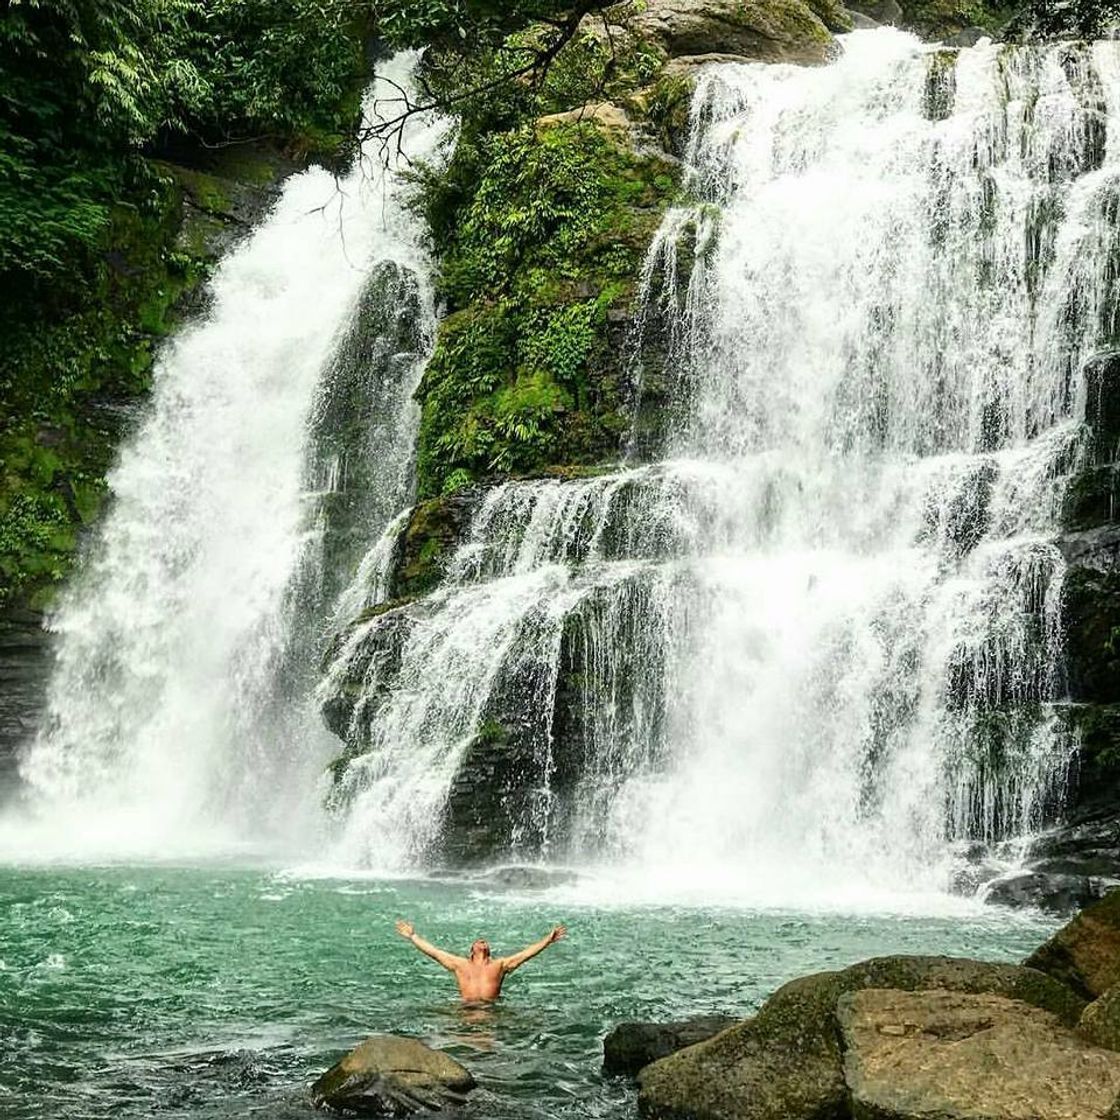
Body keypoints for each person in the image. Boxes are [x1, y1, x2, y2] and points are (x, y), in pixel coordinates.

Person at [395, 919, 566, 1001]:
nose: (482, 941)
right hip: (466, 1009)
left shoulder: (500, 965)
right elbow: (434, 952)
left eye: (484, 941)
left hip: (490, 1010)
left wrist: (548, 940)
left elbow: (526, 954)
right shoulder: (460, 964)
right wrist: (413, 936)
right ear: (471, 951)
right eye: (478, 941)